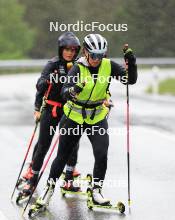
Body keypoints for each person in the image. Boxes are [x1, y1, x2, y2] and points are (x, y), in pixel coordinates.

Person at [31, 33, 137, 209]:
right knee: (63, 155)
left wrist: (131, 63)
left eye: (101, 55)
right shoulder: (78, 68)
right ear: (86, 53)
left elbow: (130, 80)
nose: (97, 59)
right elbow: (65, 92)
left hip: (96, 116)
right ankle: (48, 190)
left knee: (101, 154)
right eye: (94, 55)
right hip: (74, 117)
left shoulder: (108, 65)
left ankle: (96, 191)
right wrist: (75, 89)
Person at [18, 32, 81, 199]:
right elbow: (39, 87)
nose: (70, 53)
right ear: (61, 50)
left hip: (69, 110)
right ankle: (32, 177)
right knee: (44, 144)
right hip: (51, 109)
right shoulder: (52, 64)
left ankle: (69, 176)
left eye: (73, 50)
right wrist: (37, 108)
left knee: (72, 142)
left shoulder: (78, 66)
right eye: (67, 49)